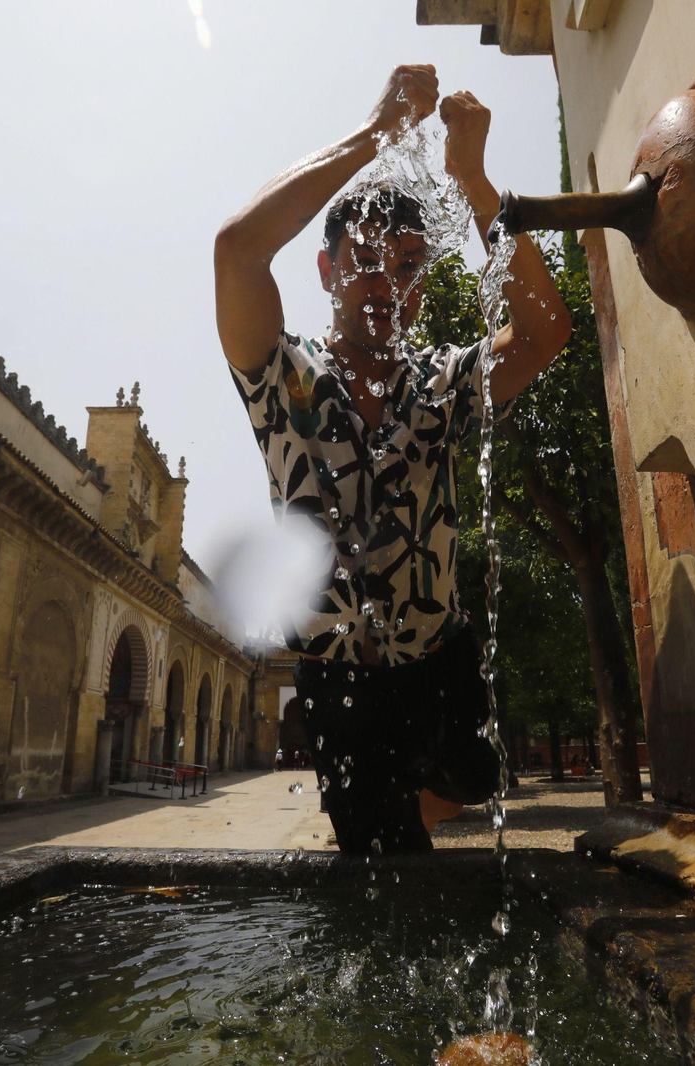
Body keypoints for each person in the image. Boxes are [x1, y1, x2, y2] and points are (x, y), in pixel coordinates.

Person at [215, 66, 570, 854]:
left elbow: (546, 332)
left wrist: (474, 182)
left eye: (409, 266)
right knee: (380, 877)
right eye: (367, 261)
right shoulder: (284, 377)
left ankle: (419, 812)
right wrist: (378, 133)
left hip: (437, 657)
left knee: (476, 778)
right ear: (327, 270)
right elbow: (238, 249)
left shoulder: (442, 379)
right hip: (339, 679)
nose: (389, 285)